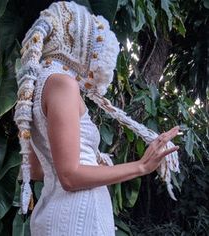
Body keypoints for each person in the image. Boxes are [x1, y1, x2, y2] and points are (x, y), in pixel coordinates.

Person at [14, 1, 180, 235]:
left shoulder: (36, 85)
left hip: (56, 216)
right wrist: (141, 166)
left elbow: (38, 169)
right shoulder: (62, 84)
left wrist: (92, 160)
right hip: (77, 219)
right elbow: (70, 176)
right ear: (78, 41)